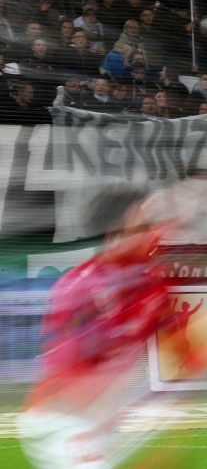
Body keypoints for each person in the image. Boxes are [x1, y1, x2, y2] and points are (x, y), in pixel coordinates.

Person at [17, 188, 171, 469]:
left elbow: (162, 343)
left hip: (101, 416)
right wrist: (106, 412)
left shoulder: (153, 285)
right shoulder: (81, 290)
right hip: (60, 418)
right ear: (115, 235)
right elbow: (67, 377)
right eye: (144, 226)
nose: (155, 233)